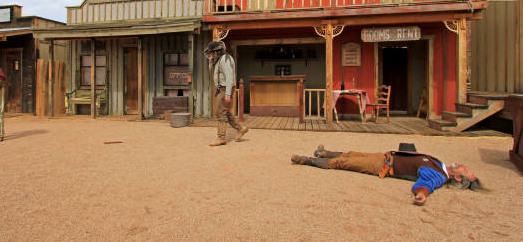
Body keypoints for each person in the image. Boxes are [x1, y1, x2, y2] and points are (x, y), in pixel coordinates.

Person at [291, 145, 481, 205]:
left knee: (346, 163)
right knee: (353, 154)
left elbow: (426, 183)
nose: (464, 166)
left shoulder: (439, 175)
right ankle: (324, 153)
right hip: (385, 157)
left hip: (383, 166)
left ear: (457, 178)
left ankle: (307, 160)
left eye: (466, 171)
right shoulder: (440, 165)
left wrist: (422, 193)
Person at [204, 40, 248, 146]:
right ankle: (241, 128)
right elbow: (212, 73)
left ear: (217, 52)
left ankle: (221, 137)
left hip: (225, 89)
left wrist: (228, 94)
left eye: (211, 53)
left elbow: (229, 77)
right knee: (225, 112)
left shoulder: (225, 60)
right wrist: (210, 62)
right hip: (221, 89)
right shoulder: (219, 60)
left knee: (220, 113)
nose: (210, 55)